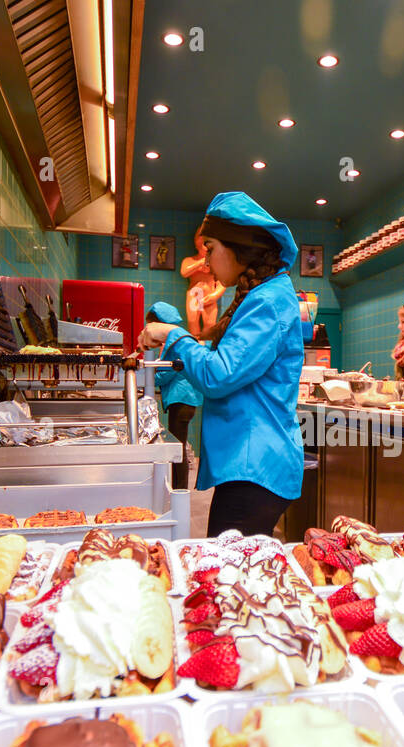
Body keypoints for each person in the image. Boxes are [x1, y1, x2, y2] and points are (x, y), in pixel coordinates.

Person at [138, 192, 303, 537]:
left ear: (237, 246)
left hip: (255, 467)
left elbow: (219, 374)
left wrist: (173, 334)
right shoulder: (259, 297)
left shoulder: (267, 302)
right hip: (247, 465)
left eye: (210, 248)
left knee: (227, 580)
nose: (207, 261)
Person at [145, 301, 202, 491]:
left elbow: (168, 372)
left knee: (177, 450)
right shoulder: (175, 341)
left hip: (181, 400)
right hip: (184, 400)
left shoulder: (174, 344)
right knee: (179, 446)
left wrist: (148, 375)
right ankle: (178, 488)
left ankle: (179, 491)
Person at [180, 225, 226, 337]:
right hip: (194, 295)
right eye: (202, 244)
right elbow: (184, 272)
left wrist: (215, 295)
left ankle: (207, 346)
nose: (205, 248)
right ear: (196, 244)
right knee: (192, 321)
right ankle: (194, 343)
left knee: (210, 323)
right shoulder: (190, 260)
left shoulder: (216, 263)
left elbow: (222, 283)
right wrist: (199, 263)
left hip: (209, 296)